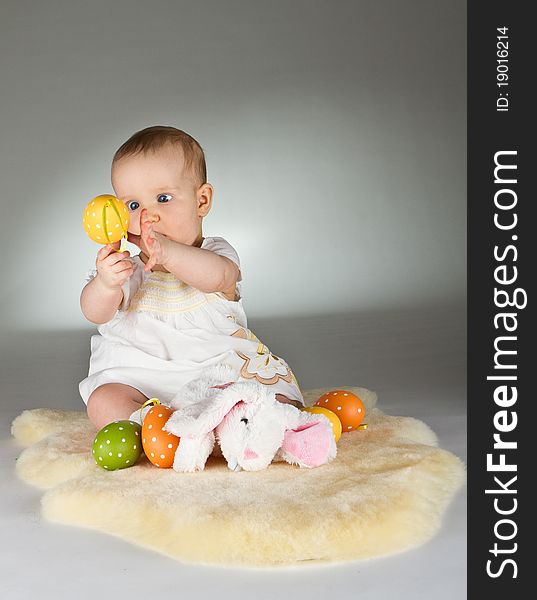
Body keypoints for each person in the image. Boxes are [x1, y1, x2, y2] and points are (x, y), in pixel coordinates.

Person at [79, 126, 304, 430]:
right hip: (144, 380)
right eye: (133, 205)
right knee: (103, 401)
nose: (149, 215)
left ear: (202, 201)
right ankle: (163, 429)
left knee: (274, 401)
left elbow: (218, 277)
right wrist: (105, 283)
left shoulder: (215, 253)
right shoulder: (128, 270)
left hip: (217, 374)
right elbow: (95, 312)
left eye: (163, 197)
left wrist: (169, 253)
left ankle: (226, 424)